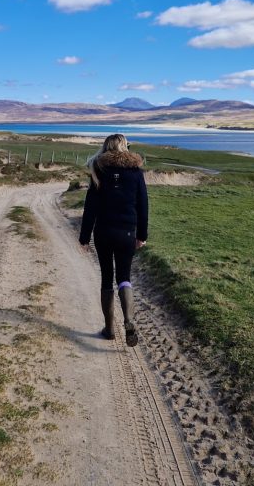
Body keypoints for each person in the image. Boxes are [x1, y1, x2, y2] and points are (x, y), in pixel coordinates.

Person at [79, 133, 148, 346]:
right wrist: (141, 235)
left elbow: (90, 207)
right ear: (124, 147)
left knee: (107, 278)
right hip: (127, 232)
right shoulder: (136, 172)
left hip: (103, 232)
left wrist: (84, 237)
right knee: (124, 277)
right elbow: (143, 205)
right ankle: (128, 320)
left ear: (106, 147)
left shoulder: (98, 170)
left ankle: (109, 329)